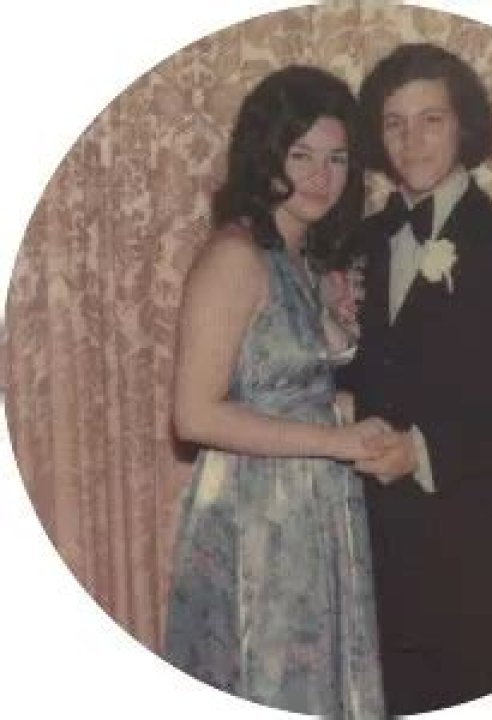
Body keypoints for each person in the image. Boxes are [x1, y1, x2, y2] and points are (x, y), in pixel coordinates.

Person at [338, 43, 492, 715]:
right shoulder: (354, 244)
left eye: (431, 120)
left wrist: (422, 451)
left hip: (471, 558)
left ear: (464, 125)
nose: (411, 140)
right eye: (394, 123)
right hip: (360, 551)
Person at [163, 65, 388, 719]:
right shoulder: (234, 256)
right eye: (301, 155)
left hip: (315, 503)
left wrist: (348, 409)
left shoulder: (301, 258)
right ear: (266, 156)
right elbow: (194, 415)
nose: (322, 176)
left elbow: (284, 384)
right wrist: (334, 440)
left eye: (337, 159)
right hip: (257, 512)